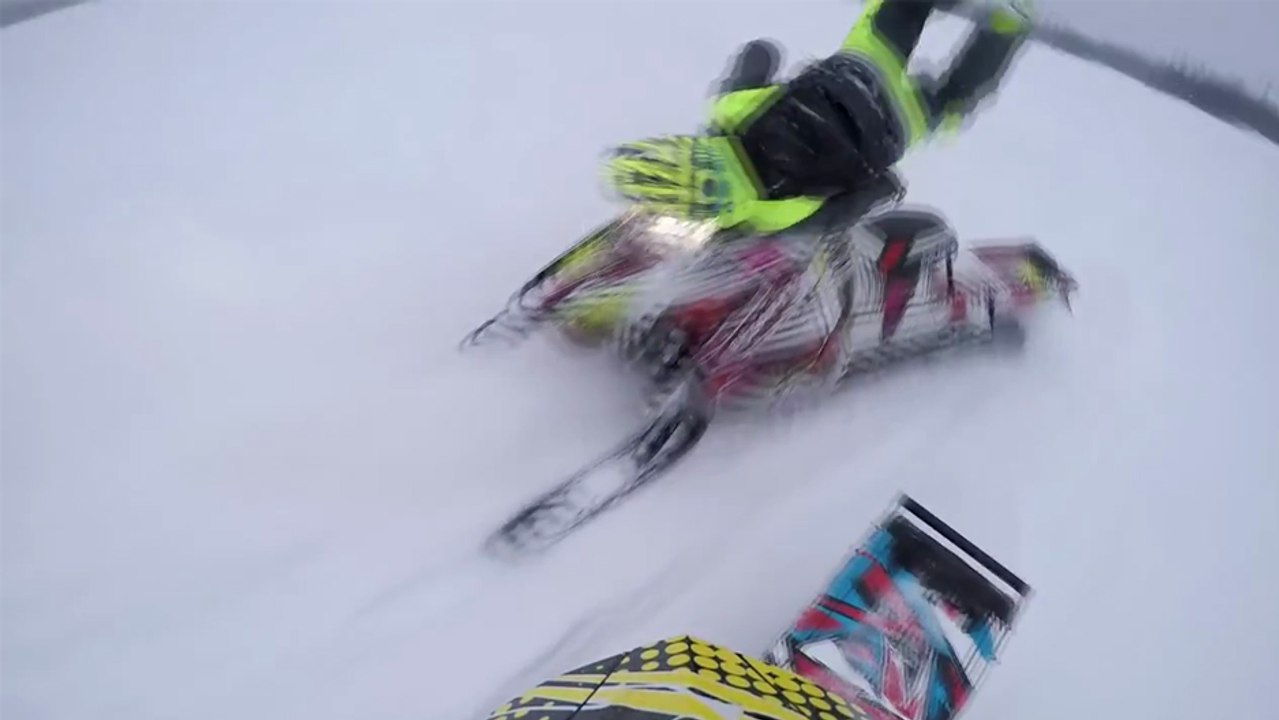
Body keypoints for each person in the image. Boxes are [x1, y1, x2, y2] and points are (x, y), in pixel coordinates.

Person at [602, 0, 1034, 239]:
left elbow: (855, 204)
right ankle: (1006, 19)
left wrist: (881, 185)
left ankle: (1009, 22)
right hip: (855, 72)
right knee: (896, 12)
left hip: (896, 123)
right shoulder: (729, 113)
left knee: (956, 96)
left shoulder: (777, 218)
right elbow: (759, 53)